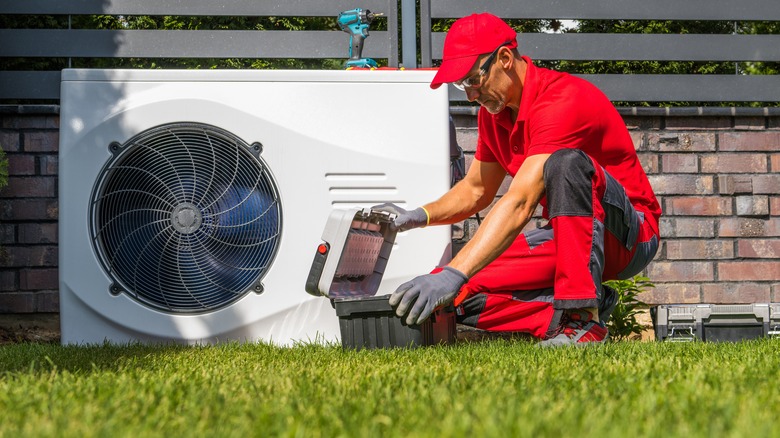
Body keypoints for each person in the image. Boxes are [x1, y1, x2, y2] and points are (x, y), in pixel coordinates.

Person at [373, 13, 661, 346]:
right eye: (461, 85)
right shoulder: (493, 115)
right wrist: (418, 216)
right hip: (570, 238)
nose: (469, 95)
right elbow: (475, 190)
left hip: (629, 235)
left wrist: (455, 271)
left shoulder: (562, 100)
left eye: (472, 80)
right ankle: (578, 309)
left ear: (505, 59)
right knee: (455, 295)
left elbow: (521, 200)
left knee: (565, 163)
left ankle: (582, 319)